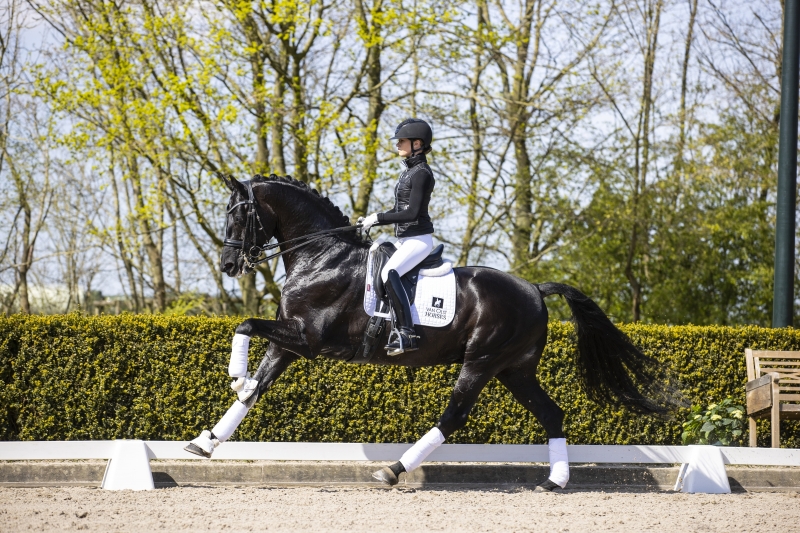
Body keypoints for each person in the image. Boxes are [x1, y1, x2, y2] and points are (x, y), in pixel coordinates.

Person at [360, 118, 436, 355]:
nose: (397, 145)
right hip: (405, 239)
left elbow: (411, 213)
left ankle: (407, 333)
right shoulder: (409, 172)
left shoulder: (422, 173)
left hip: (419, 240)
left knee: (389, 272)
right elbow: (399, 210)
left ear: (417, 143)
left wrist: (380, 219)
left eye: (401, 141)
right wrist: (372, 218)